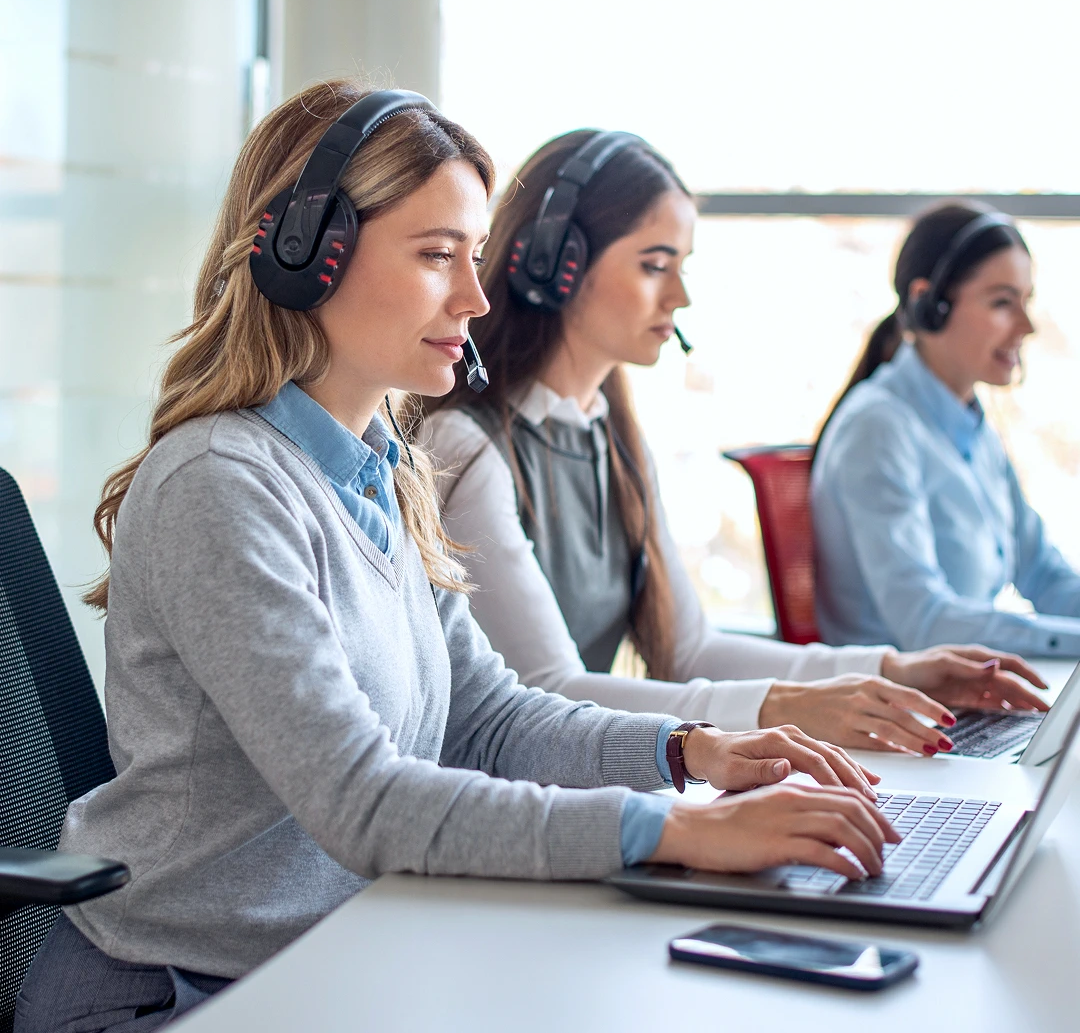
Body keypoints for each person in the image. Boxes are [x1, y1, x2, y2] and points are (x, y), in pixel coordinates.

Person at [15, 85, 897, 1032]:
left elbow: (489, 720)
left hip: (339, 960)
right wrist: (673, 829)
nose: (475, 298)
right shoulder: (219, 485)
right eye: (438, 255)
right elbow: (363, 801)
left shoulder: (385, 473)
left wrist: (686, 754)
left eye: (473, 256)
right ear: (305, 254)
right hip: (177, 995)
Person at [419, 134, 1047, 760]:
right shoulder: (467, 448)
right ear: (554, 264)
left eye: (682, 268)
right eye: (654, 265)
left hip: (588, 785)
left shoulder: (612, 439)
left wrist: (892, 670)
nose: (680, 297)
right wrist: (783, 707)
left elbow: (689, 651)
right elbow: (550, 692)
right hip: (518, 799)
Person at [812, 200, 1080, 656]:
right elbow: (926, 623)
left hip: (965, 686)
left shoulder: (974, 429)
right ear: (930, 304)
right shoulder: (877, 429)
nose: (1027, 326)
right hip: (900, 694)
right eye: (1002, 303)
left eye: (1026, 302)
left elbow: (1042, 573)